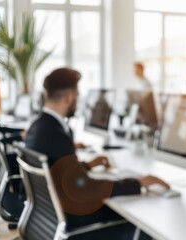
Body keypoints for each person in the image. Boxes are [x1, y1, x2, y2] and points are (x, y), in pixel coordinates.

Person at [25, 67, 170, 240]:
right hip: (76, 223)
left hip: (49, 221)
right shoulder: (55, 134)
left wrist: (86, 165)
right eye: (77, 96)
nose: (78, 100)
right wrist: (137, 182)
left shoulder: (38, 126)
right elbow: (86, 186)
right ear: (69, 97)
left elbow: (60, 171)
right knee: (145, 223)